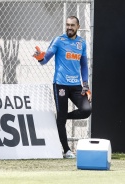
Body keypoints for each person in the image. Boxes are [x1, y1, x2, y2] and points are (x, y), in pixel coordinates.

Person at [33, 16, 92, 158]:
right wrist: (40, 57)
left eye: (72, 25)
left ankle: (62, 118)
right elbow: (45, 59)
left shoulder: (82, 43)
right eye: (67, 25)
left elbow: (83, 65)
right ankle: (66, 150)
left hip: (76, 85)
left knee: (86, 110)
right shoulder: (59, 40)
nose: (69, 27)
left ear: (78, 26)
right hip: (60, 84)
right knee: (62, 118)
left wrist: (85, 84)